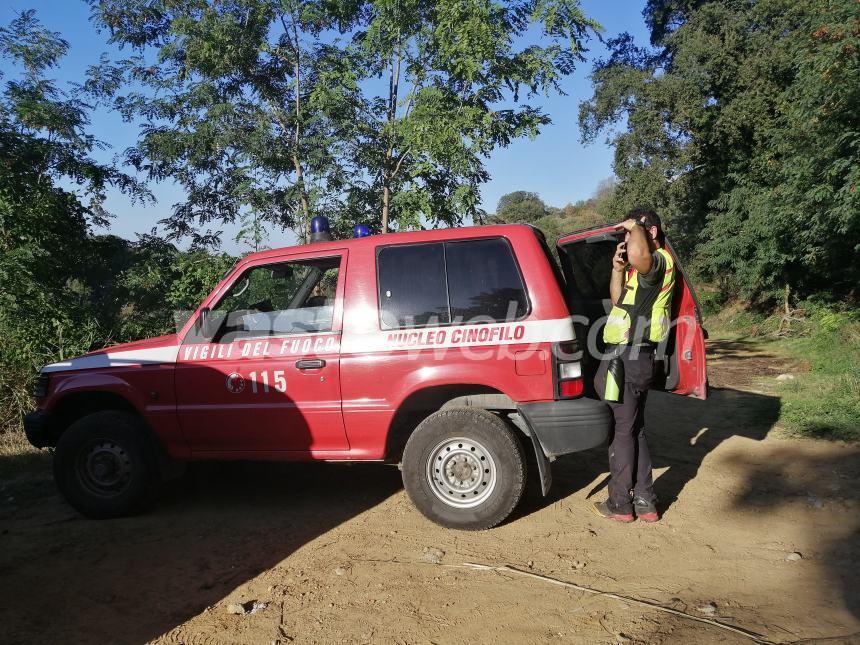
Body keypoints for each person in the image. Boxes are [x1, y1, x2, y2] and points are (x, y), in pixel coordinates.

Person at [592, 208, 675, 523]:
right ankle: (645, 502)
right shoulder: (641, 272)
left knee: (622, 431)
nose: (626, 241)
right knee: (634, 429)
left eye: (631, 233)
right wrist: (616, 269)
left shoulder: (658, 262)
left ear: (650, 232)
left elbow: (642, 256)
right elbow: (618, 302)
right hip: (631, 358)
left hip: (628, 359)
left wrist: (636, 228)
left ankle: (619, 504)